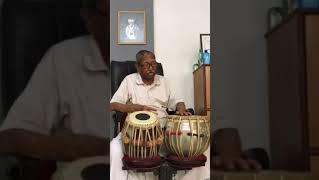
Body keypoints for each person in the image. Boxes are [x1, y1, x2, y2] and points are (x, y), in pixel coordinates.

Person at [0, 0, 110, 179]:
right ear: (88, 16)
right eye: (114, 14)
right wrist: (96, 147)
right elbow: (10, 138)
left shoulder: (158, 52)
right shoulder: (62, 59)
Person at [110, 50, 210, 180]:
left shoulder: (164, 82)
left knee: (202, 143)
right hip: (135, 133)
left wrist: (181, 109)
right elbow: (113, 104)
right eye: (146, 65)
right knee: (114, 148)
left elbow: (178, 101)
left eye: (154, 64)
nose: (151, 68)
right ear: (137, 66)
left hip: (164, 132)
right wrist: (136, 108)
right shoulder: (129, 81)